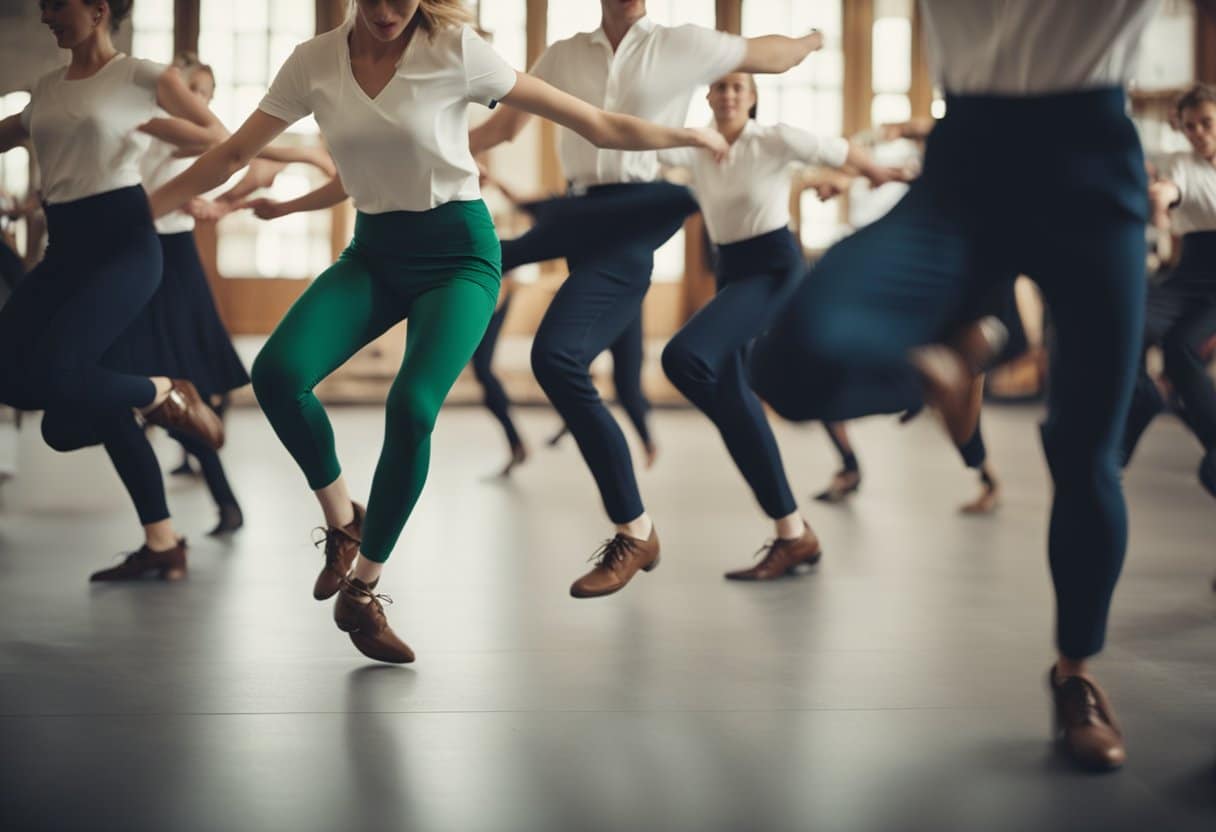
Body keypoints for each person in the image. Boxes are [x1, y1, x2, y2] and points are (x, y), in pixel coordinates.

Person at [147, 0, 728, 664]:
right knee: (278, 374)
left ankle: (364, 589)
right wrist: (147, 211)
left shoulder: (454, 49)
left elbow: (593, 122)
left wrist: (690, 140)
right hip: (373, 253)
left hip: (459, 257)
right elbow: (234, 150)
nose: (390, 10)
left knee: (412, 405)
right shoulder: (314, 63)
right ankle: (344, 520)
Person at [746, 0, 1158, 771]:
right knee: (787, 365)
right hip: (968, 161)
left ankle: (1076, 676)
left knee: (1086, 453)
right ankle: (972, 347)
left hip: (1091, 164)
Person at [468, 0, 827, 598]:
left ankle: (635, 530)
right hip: (585, 220)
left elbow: (772, 54)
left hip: (632, 223)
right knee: (726, 391)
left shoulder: (682, 44)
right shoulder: (562, 55)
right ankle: (793, 529)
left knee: (554, 354)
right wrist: (432, 147)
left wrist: (813, 39)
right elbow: (503, 128)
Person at [0, 0, 228, 581]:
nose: (47, 15)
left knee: (61, 375)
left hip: (126, 244)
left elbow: (216, 136)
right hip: (67, 249)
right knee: (24, 379)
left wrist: (147, 123)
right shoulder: (45, 88)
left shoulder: (142, 76)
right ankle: (162, 540)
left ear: (99, 10)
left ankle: (162, 393)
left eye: (57, 6)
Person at [658, 71, 903, 579]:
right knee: (740, 412)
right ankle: (793, 535)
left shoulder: (773, 139)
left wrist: (875, 171)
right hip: (731, 272)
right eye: (719, 87)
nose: (727, 95)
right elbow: (641, 143)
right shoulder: (694, 147)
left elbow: (836, 150)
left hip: (773, 269)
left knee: (683, 358)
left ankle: (750, 414)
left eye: (738, 89)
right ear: (706, 95)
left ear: (751, 100)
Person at [1121, 83, 1216, 500]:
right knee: (1127, 325)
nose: (1198, 133)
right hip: (1188, 273)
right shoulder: (1182, 163)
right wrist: (1159, 203)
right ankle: (1144, 401)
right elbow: (1168, 190)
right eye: (1191, 126)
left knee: (1180, 350)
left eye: (1207, 123)